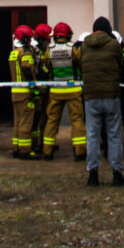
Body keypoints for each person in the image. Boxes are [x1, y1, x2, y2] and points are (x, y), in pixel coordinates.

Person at [80, 16, 124, 186]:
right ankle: (116, 172)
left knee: (92, 135)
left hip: (91, 96)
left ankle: (93, 173)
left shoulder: (84, 46)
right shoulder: (114, 45)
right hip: (111, 95)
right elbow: (122, 66)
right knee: (113, 134)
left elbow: (81, 67)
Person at [41, 21, 85, 160]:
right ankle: (79, 151)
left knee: (52, 120)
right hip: (73, 89)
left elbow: (45, 66)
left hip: (55, 90)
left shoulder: (50, 49)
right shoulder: (73, 48)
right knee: (77, 120)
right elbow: (80, 63)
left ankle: (47, 151)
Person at [8, 25, 40, 159]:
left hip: (16, 92)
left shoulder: (14, 52)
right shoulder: (25, 52)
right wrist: (34, 89)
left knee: (18, 121)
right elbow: (27, 70)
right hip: (25, 92)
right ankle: (25, 150)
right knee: (26, 122)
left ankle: (16, 147)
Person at [31, 23, 53, 154]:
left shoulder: (44, 51)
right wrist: (48, 68)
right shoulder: (36, 52)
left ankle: (44, 142)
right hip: (38, 91)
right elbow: (40, 71)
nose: (49, 42)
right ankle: (36, 144)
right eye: (47, 40)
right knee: (37, 118)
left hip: (46, 90)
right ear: (40, 40)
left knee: (46, 117)